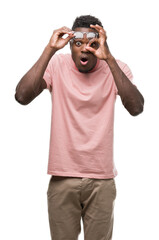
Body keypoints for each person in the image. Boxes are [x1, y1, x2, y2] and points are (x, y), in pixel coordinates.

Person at [15, 15, 144, 240]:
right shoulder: (57, 64)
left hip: (101, 179)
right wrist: (49, 49)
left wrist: (109, 58)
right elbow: (22, 96)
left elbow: (136, 108)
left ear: (101, 44)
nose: (85, 49)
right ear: (70, 45)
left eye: (92, 44)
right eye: (78, 43)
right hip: (63, 177)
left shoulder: (116, 68)